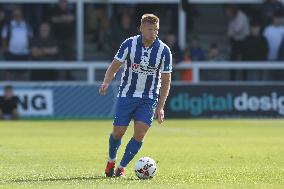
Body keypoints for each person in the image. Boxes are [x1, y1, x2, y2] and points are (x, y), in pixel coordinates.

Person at [99, 14, 172, 177]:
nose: (153, 33)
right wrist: (106, 82)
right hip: (127, 94)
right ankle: (111, 160)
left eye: (156, 30)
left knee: (140, 133)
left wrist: (160, 107)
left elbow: (166, 81)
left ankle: (121, 167)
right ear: (141, 29)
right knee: (118, 132)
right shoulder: (129, 44)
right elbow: (114, 66)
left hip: (148, 98)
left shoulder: (164, 51)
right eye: (149, 29)